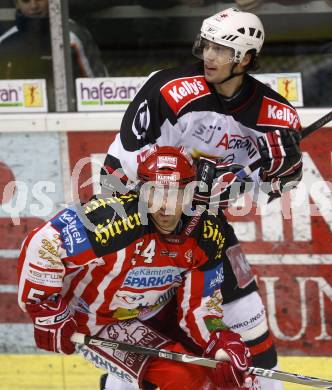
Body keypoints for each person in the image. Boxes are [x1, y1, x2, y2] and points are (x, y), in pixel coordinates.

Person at [101, 7, 303, 390]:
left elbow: (274, 191)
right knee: (141, 357)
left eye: (221, 49)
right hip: (145, 231)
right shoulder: (168, 91)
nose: (208, 55)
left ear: (244, 59)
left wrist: (282, 172)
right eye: (206, 44)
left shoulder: (276, 116)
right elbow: (114, 177)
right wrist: (197, 186)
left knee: (256, 351)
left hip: (208, 232)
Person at [18, 146, 259, 390]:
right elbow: (44, 241)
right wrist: (45, 307)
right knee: (183, 379)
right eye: (153, 192)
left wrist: (221, 340)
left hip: (133, 318)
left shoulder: (208, 233)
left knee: (206, 379)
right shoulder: (117, 219)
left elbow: (200, 306)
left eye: (175, 194)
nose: (164, 206)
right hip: (85, 321)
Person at [0, 0, 108, 109]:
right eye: (26, 1)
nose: (34, 6)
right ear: (17, 4)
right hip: (21, 120)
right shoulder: (5, 42)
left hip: (72, 118)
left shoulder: (74, 36)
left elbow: (100, 89)